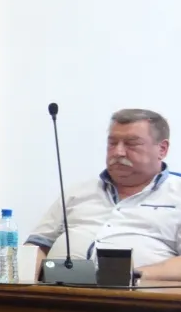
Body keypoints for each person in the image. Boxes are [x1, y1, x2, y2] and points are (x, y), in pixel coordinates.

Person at [26, 108, 181, 281]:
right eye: (112, 143)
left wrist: (134, 275)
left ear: (162, 149)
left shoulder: (176, 194)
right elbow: (37, 246)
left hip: (140, 294)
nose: (118, 152)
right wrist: (26, 283)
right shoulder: (78, 192)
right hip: (55, 291)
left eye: (131, 144)